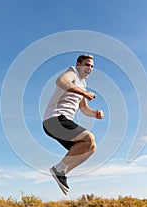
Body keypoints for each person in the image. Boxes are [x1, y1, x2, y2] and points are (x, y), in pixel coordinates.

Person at [43, 54, 104, 195]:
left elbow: (83, 109)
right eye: (87, 65)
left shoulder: (83, 84)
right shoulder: (72, 73)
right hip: (54, 119)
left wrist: (94, 113)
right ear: (79, 64)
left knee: (90, 147)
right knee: (89, 137)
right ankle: (58, 169)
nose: (90, 68)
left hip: (62, 123)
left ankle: (62, 172)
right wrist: (84, 92)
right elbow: (61, 81)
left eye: (92, 66)